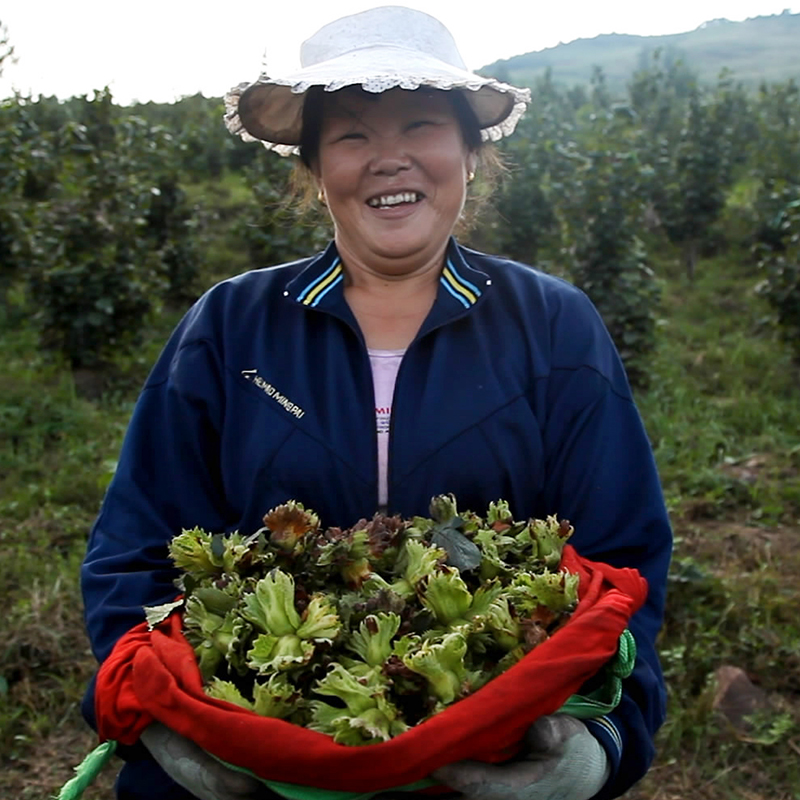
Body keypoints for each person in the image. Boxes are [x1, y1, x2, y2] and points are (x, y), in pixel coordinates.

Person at [80, 6, 672, 800]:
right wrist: (157, 717)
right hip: (250, 758)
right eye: (352, 135)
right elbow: (136, 549)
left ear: (469, 148)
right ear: (316, 168)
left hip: (482, 753)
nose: (389, 160)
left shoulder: (553, 325)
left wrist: (599, 745)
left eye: (422, 125)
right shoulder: (231, 324)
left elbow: (622, 558)